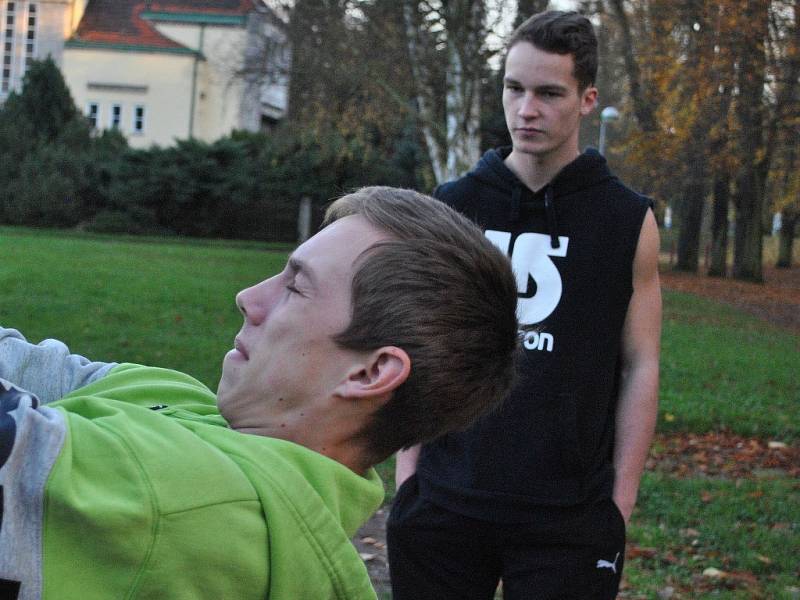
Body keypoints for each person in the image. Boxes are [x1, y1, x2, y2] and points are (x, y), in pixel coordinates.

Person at [0, 186, 519, 600]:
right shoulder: (184, 399)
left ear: (369, 374)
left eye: (296, 287)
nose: (248, 298)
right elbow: (35, 367)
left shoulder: (194, 506)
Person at [388, 11, 662, 599]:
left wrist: (620, 504)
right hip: (445, 503)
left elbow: (641, 363)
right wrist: (409, 480)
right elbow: (415, 343)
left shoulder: (626, 220)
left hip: (569, 516)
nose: (526, 110)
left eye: (548, 93)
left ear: (587, 100)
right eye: (514, 89)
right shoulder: (453, 205)